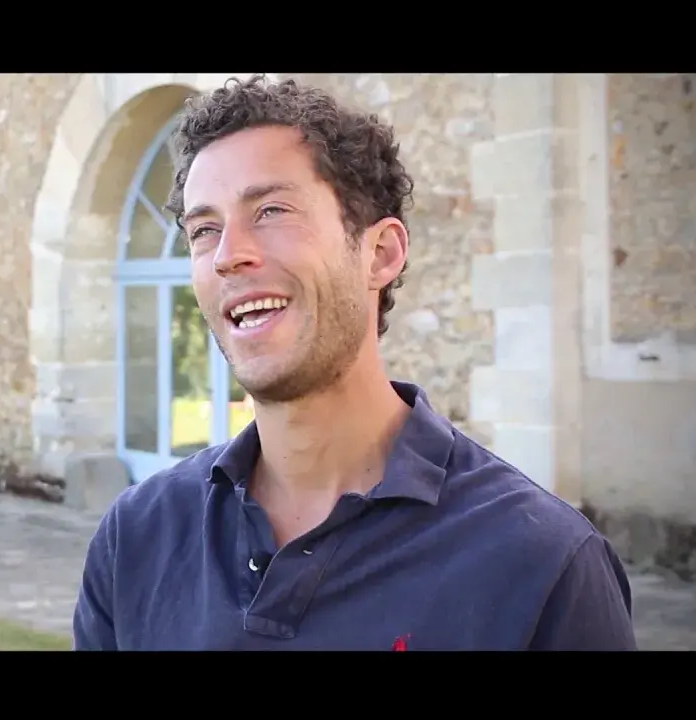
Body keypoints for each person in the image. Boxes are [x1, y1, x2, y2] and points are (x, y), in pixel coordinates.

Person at [72, 75, 638, 651]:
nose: (227, 256)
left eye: (271, 209)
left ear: (381, 254)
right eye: (203, 230)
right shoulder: (136, 538)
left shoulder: (542, 565)